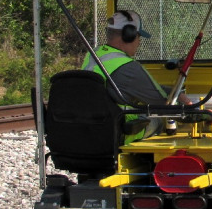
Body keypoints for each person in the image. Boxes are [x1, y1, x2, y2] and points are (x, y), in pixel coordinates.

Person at [81, 10, 192, 143]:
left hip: (88, 128)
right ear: (129, 35)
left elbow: (141, 88)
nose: (139, 41)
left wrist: (176, 93)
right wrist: (196, 112)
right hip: (118, 132)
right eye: (138, 35)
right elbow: (164, 104)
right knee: (158, 120)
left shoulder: (93, 55)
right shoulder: (128, 67)